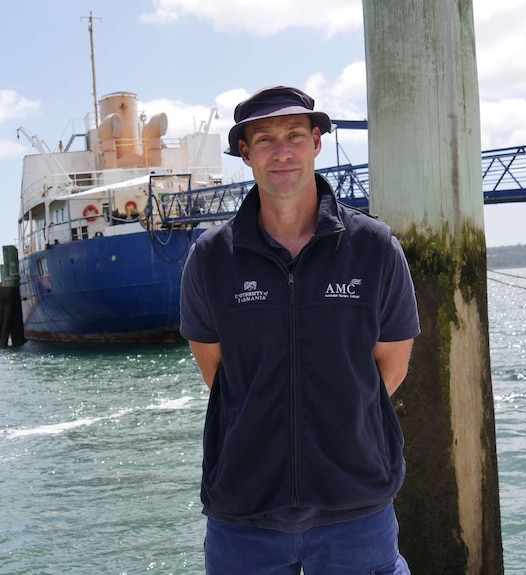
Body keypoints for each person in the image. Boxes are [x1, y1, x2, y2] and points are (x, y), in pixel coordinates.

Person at [179, 85, 420, 575]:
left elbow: (389, 369)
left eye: (294, 134)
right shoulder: (210, 258)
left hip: (356, 506)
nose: (281, 151)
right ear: (245, 153)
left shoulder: (374, 248)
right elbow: (218, 372)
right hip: (245, 510)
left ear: (316, 143)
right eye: (264, 139)